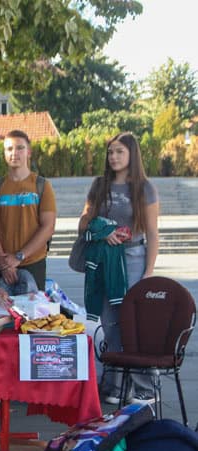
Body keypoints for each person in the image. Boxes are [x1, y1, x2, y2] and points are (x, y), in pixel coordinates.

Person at [78, 132, 159, 405]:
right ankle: (114, 384)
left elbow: (153, 233)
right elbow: (83, 222)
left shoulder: (144, 188)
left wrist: (148, 273)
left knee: (134, 324)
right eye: (110, 151)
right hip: (104, 259)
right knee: (110, 322)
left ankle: (144, 386)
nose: (113, 157)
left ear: (131, 155)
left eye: (119, 152)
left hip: (134, 259)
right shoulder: (100, 185)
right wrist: (103, 232)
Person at [0, 130, 56, 290]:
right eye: (9, 149)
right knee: (0, 314)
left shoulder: (42, 186)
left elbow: (48, 227)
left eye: (20, 148)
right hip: (1, 267)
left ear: (29, 152)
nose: (14, 153)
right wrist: (4, 263)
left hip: (32, 263)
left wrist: (19, 256)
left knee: (34, 314)